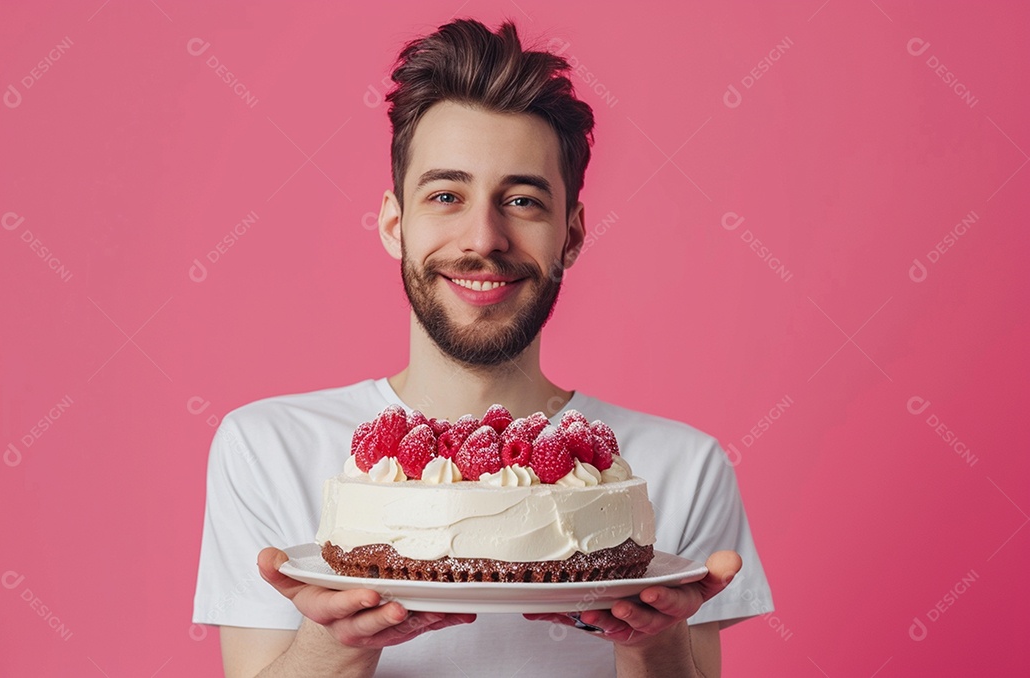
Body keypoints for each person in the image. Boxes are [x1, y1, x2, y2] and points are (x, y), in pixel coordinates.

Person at [193, 18, 773, 677]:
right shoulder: (267, 447)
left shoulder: (682, 467)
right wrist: (336, 642)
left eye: (522, 200)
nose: (484, 237)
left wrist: (650, 641)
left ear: (572, 233)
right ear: (394, 223)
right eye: (446, 195)